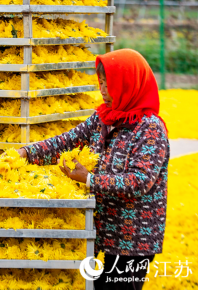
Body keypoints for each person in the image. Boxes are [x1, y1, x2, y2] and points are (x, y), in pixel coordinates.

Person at [17, 49, 169, 290]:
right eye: (101, 81)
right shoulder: (104, 118)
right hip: (102, 231)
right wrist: (26, 153)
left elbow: (140, 181)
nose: (103, 90)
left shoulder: (149, 129)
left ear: (129, 84)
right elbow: (66, 142)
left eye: (111, 83)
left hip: (133, 240)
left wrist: (89, 179)